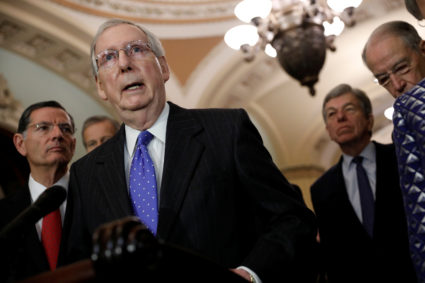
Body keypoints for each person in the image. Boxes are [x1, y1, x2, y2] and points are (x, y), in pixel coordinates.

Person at [64, 18, 317, 282]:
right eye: (108, 58)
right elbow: (77, 263)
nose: (125, 63)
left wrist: (249, 274)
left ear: (163, 67)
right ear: (101, 86)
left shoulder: (226, 131)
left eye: (136, 49)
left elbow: (292, 218)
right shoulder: (85, 173)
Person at [310, 84, 416, 282]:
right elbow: (333, 256)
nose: (340, 117)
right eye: (332, 114)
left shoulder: (400, 159)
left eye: (349, 109)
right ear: (329, 131)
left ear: (369, 120)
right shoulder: (321, 189)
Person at [362, 21, 425, 282]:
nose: (397, 85)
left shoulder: (409, 109)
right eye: (384, 79)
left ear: (423, 50)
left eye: (401, 68)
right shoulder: (405, 118)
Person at [0, 100, 76, 281]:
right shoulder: (3, 214)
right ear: (20, 144)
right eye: (43, 128)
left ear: (73, 145)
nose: (57, 134)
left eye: (65, 129)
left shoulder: (96, 199)